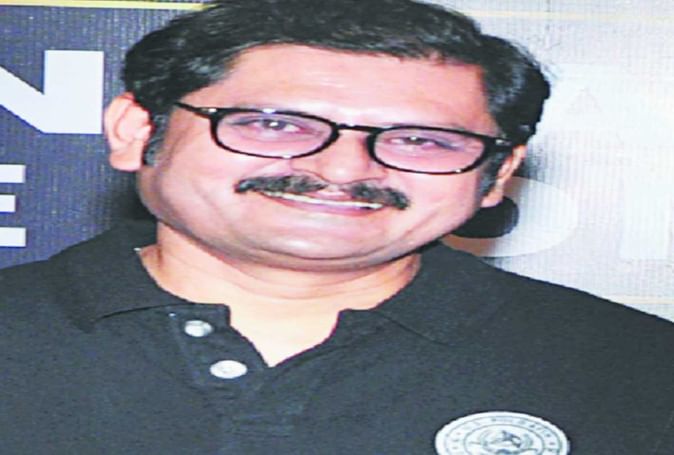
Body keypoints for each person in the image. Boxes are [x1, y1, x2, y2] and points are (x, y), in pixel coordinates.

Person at [2, 0, 672, 453]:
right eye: (275, 125)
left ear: (497, 174)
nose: (343, 168)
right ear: (136, 131)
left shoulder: (639, 370)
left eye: (420, 140)